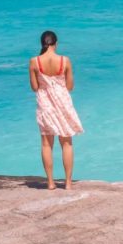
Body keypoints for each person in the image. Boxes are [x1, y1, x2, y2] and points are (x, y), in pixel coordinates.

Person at [29, 30, 83, 190]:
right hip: (63, 103)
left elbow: (34, 87)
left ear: (42, 44)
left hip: (45, 104)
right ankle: (67, 183)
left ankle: (51, 183)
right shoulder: (65, 60)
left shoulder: (34, 61)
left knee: (46, 144)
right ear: (56, 43)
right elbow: (70, 86)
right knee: (66, 143)